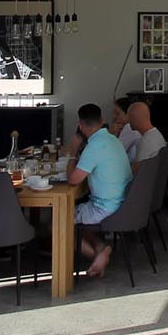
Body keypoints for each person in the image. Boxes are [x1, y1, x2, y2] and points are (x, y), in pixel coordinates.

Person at [67, 102, 131, 277]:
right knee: (79, 216)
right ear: (102, 120)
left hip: (105, 207)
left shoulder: (93, 146)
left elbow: (73, 180)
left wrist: (73, 151)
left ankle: (97, 256)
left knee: (57, 222)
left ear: (80, 126)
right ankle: (101, 248)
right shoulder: (112, 139)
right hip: (123, 203)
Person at [127, 100, 166, 170]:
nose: (128, 120)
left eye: (129, 116)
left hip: (146, 180)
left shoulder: (146, 141)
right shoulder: (156, 134)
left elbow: (137, 171)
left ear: (135, 118)